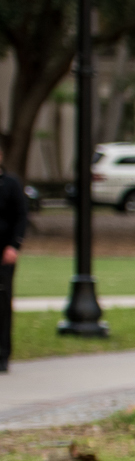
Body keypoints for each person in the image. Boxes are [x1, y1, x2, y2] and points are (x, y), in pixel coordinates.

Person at [0, 158, 29, 374]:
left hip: (4, 253)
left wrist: (13, 246)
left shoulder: (10, 184)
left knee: (2, 301)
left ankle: (3, 354)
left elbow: (21, 216)